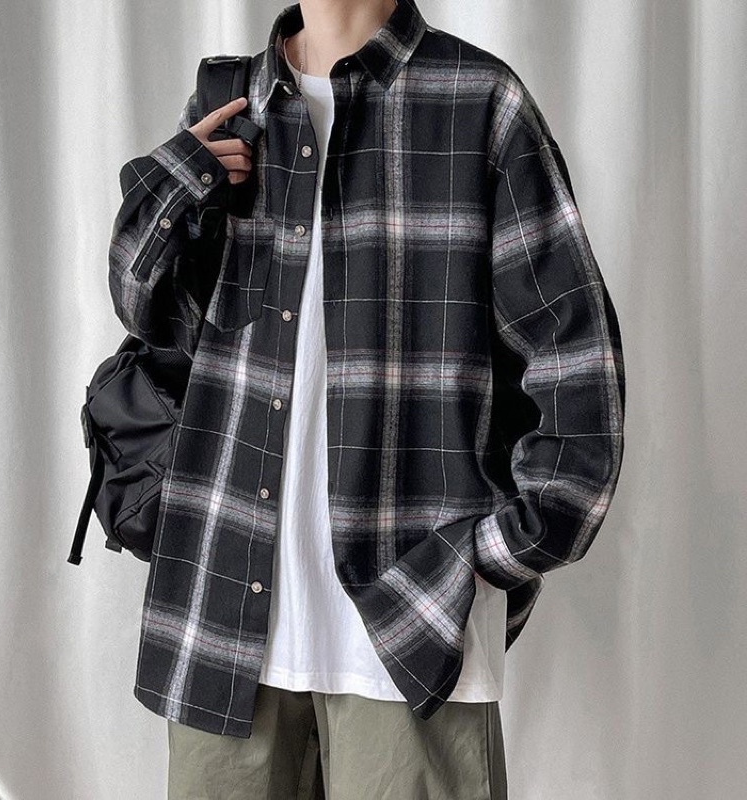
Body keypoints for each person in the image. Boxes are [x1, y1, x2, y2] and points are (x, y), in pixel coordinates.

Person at [107, 0, 625, 797]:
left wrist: (497, 552)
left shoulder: (479, 100)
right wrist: (182, 176)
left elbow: (575, 358)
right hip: (222, 619)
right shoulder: (231, 103)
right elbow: (147, 314)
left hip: (414, 620)